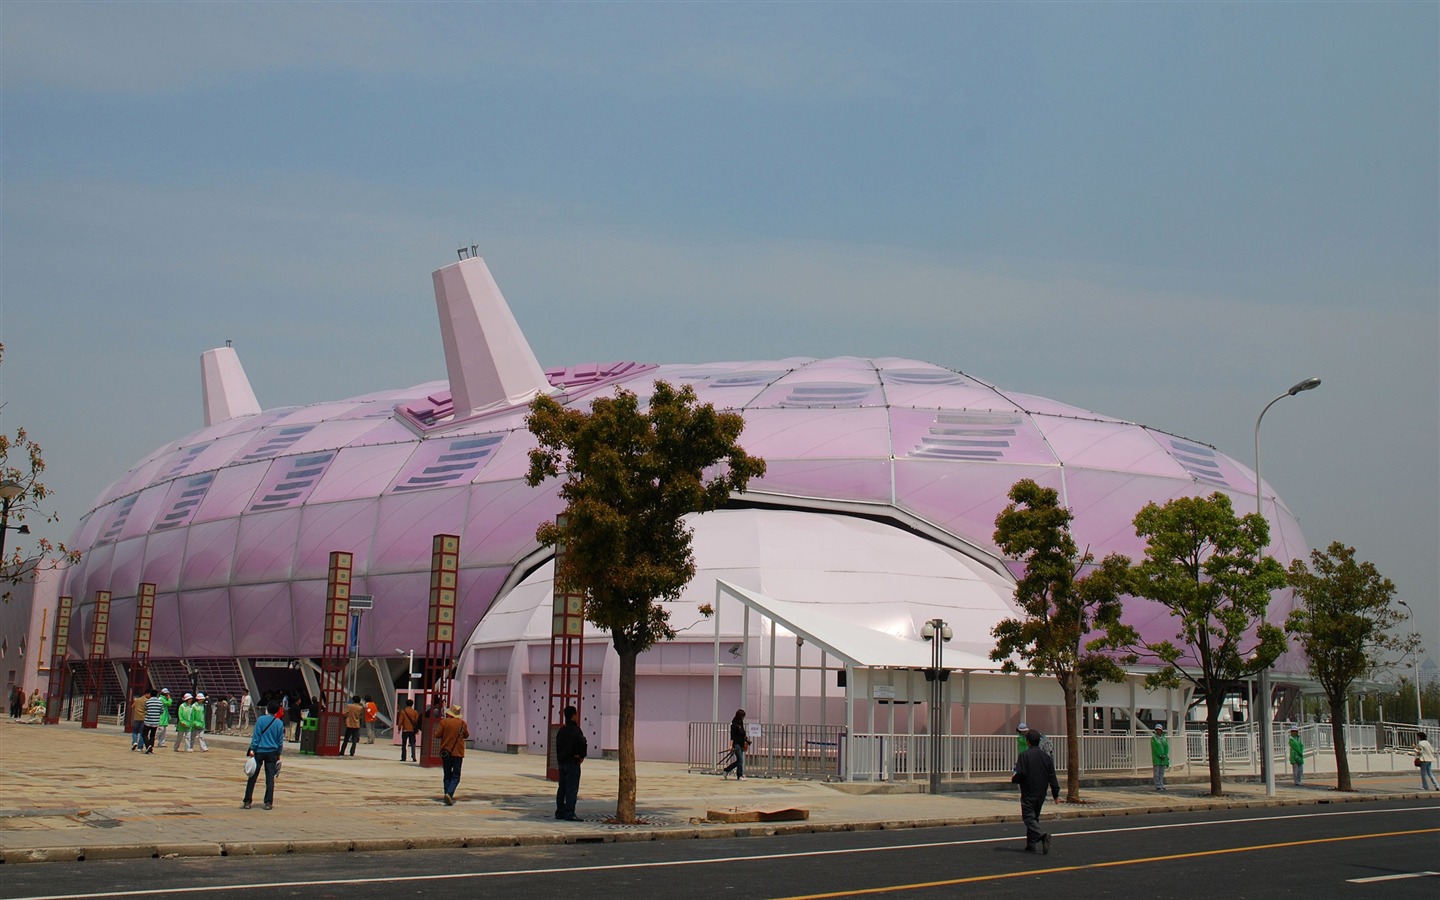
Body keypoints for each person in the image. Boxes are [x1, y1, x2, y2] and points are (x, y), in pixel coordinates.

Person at [1011, 729, 1059, 854]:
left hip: (1028, 791)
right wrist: (1055, 794)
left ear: (1028, 742)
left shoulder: (1024, 756)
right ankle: (1031, 844)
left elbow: (1021, 773)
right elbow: (1052, 776)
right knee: (1034, 817)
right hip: (1041, 792)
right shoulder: (1046, 758)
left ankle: (1042, 835)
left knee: (1028, 818)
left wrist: (1014, 780)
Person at [243, 700, 286, 810]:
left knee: (252, 776)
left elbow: (256, 736)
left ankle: (247, 801)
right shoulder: (279, 723)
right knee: (270, 778)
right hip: (272, 752)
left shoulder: (261, 720)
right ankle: (268, 802)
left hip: (259, 751)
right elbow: (280, 741)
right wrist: (279, 753)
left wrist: (252, 748)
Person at [554, 705, 587, 820]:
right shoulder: (577, 731)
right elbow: (582, 744)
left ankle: (560, 812)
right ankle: (569, 813)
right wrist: (581, 756)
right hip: (572, 763)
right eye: (576, 714)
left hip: (562, 763)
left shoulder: (561, 731)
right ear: (573, 716)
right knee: (572, 789)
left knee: (562, 788)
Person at [434, 704, 470, 805]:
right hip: (458, 752)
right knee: (456, 776)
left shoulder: (444, 722)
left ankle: (446, 793)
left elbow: (437, 735)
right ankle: (449, 793)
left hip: (446, 752)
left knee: (447, 775)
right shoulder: (463, 723)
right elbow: (467, 735)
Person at [722, 709, 748, 780]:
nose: (743, 718)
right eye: (743, 716)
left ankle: (726, 770)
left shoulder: (741, 723)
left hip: (741, 743)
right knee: (740, 760)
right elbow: (732, 736)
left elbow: (743, 732)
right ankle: (739, 775)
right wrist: (731, 745)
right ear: (740, 716)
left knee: (739, 761)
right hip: (736, 744)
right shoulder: (734, 724)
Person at [396, 698, 421, 762]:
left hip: (405, 730)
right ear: (412, 704)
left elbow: (400, 721)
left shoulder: (403, 711)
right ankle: (414, 756)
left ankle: (403, 757)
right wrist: (417, 730)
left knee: (404, 744)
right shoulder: (415, 712)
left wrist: (399, 729)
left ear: (406, 704)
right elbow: (416, 722)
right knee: (413, 743)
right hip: (412, 730)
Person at [142, 688, 165, 753]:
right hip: (155, 721)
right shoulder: (160, 702)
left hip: (148, 721)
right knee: (152, 735)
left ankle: (148, 745)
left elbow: (145, 708)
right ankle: (151, 748)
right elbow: (162, 711)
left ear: (151, 694)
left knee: (144, 734)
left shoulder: (148, 701)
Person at [1150, 724, 1170, 791]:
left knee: (1162, 773)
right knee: (1156, 773)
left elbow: (1166, 747)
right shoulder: (1154, 738)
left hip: (1163, 759)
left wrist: (1165, 754)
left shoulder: (1164, 738)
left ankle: (1161, 784)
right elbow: (1154, 748)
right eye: (1157, 730)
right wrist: (1159, 755)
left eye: (1159, 730)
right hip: (1157, 758)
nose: (1158, 731)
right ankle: (1157, 785)